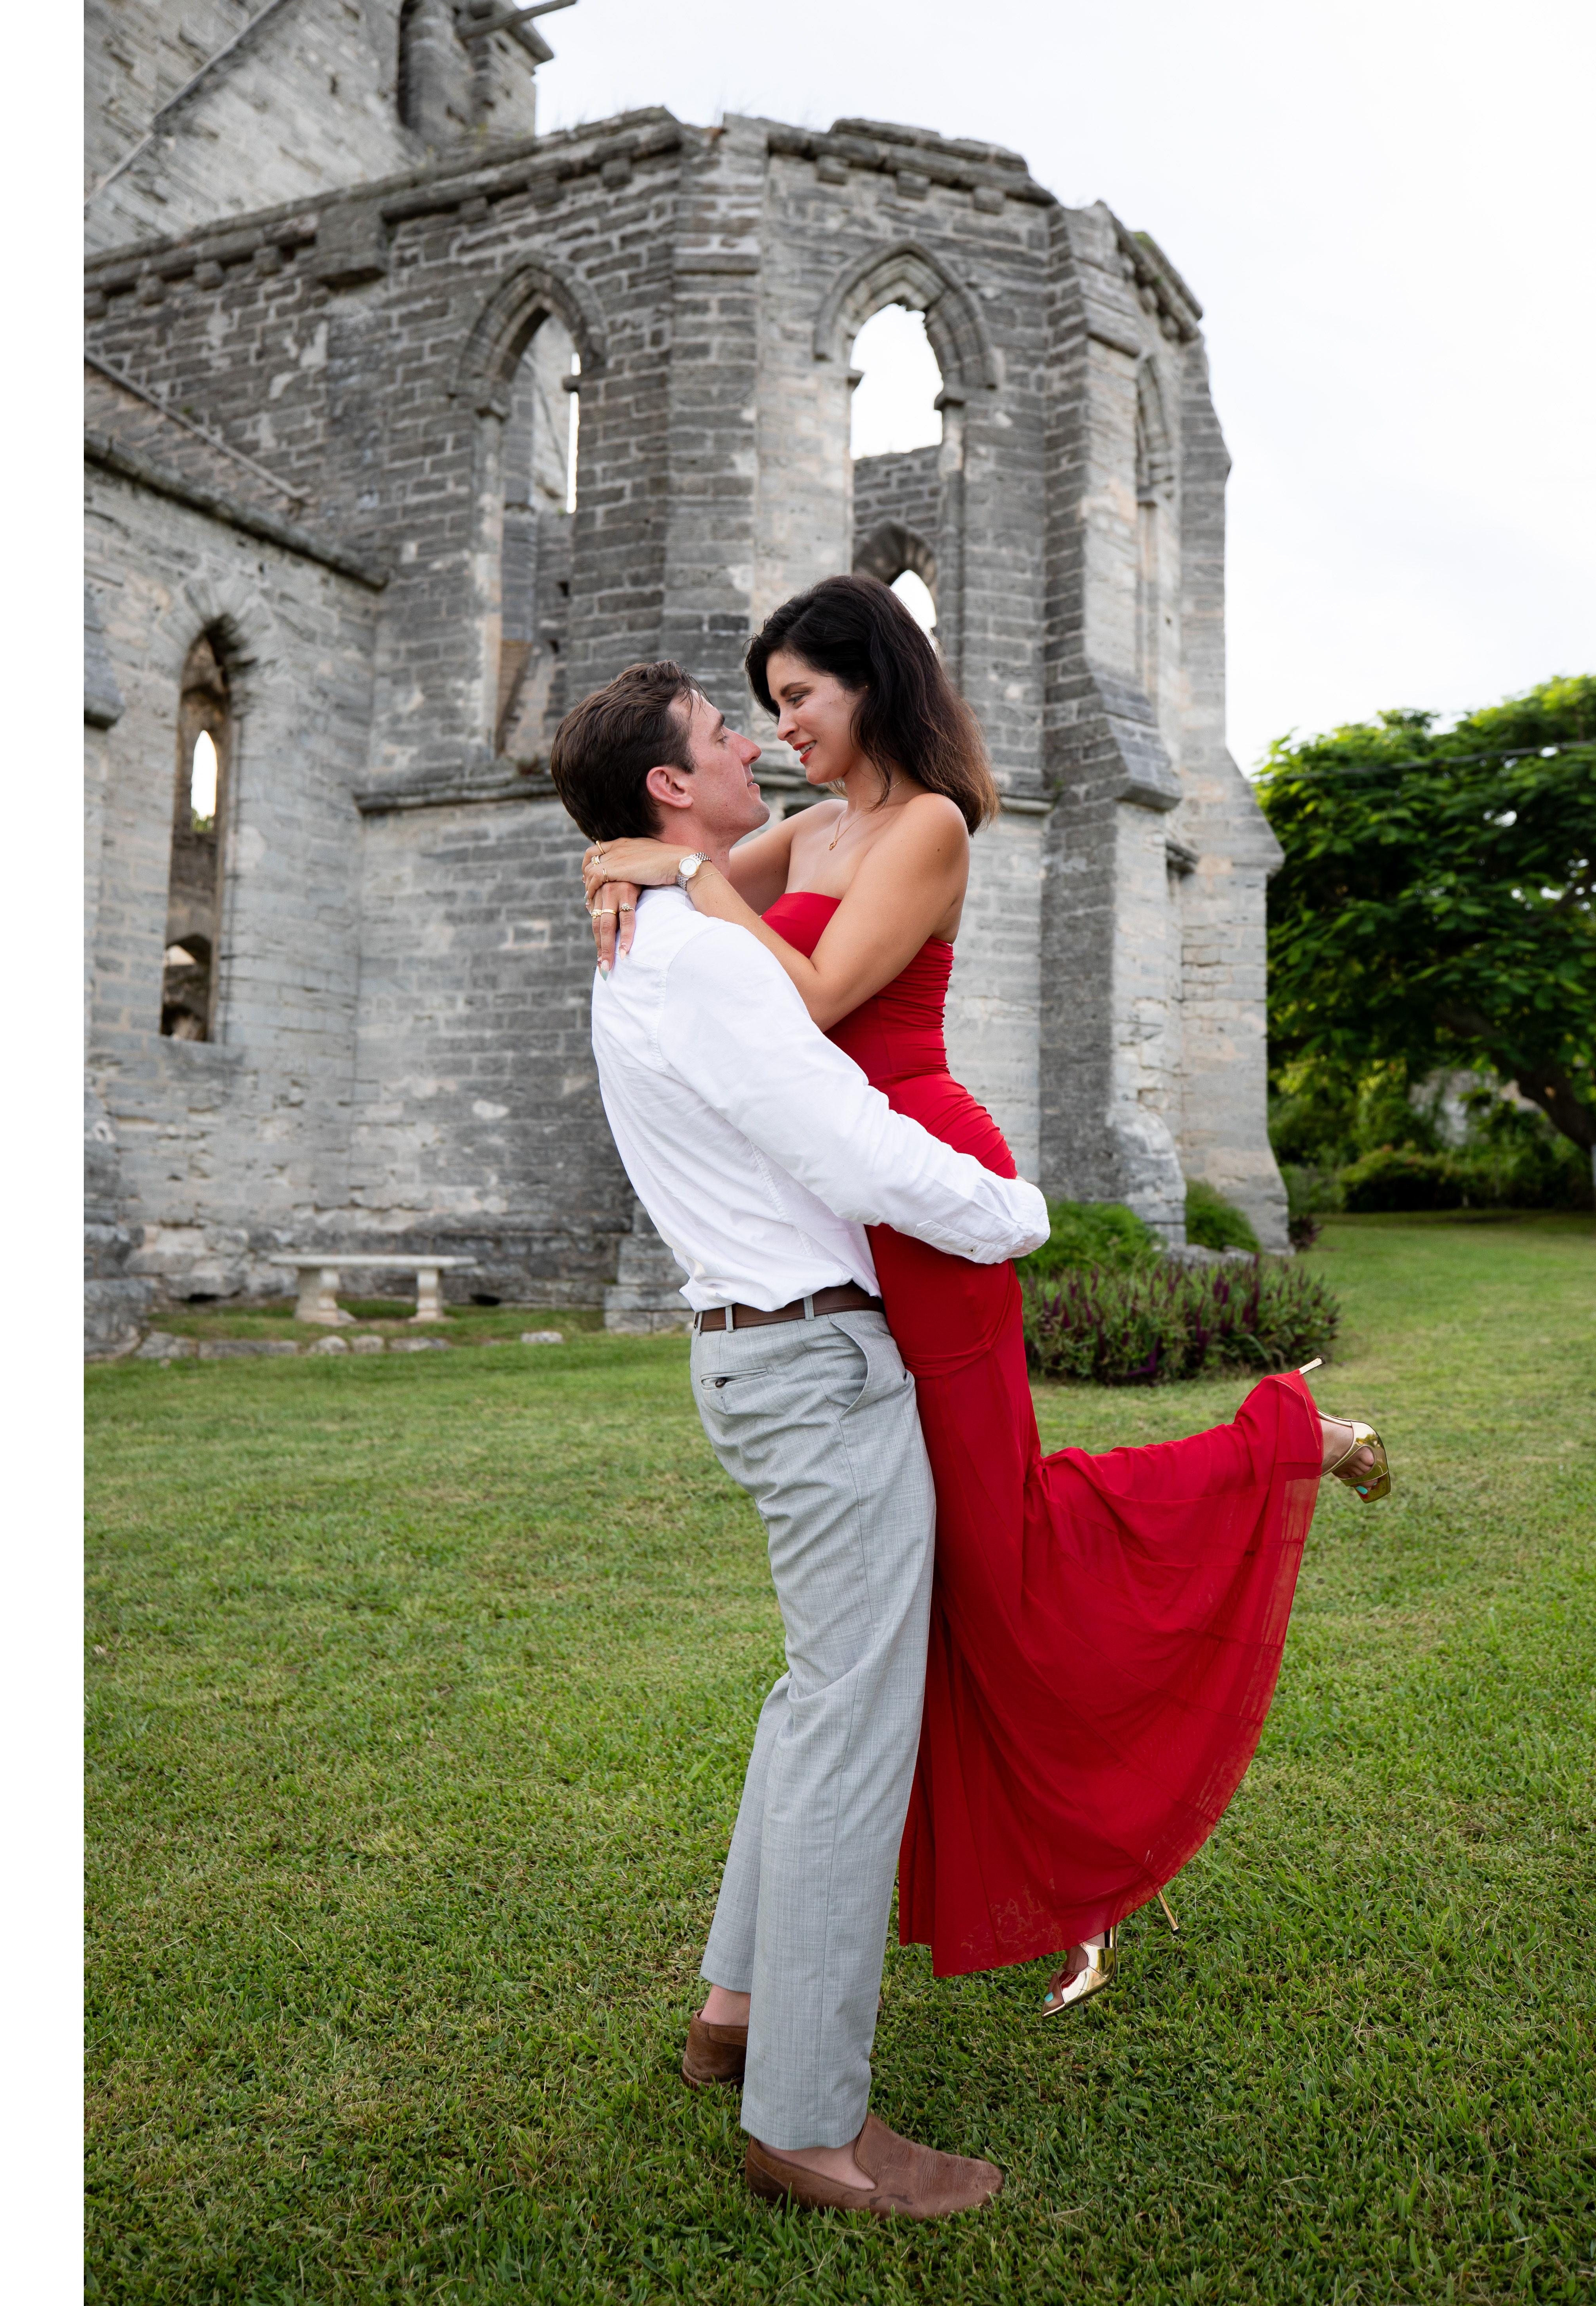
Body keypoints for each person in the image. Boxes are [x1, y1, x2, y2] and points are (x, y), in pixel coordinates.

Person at [581, 575, 1391, 2016]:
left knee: (997, 1549)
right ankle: (833, 1958)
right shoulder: (811, 828)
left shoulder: (928, 826)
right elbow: (686, 888)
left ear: (871, 685)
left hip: (927, 1185)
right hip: (846, 1199)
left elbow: (812, 1000)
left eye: (800, 702)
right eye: (763, 711)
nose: (781, 735)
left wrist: (688, 879)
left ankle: (1285, 1444)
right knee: (935, 1582)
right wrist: (628, 863)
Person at [549, 660, 1052, 2220]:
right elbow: (840, 1134)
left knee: (811, 1688)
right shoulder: (694, 954)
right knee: (852, 1718)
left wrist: (687, 873)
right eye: (721, 731)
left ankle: (736, 2010)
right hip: (814, 1361)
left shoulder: (662, 930)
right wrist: (1012, 1212)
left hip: (765, 1354)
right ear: (665, 789)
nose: (753, 742)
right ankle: (811, 2123)